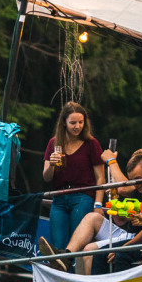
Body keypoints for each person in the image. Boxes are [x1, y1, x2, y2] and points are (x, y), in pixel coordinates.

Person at [39, 148, 142, 273]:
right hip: (129, 234)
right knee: (92, 218)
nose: (136, 184)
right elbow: (123, 217)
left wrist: (111, 161)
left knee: (89, 250)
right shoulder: (139, 186)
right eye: (132, 180)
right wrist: (118, 212)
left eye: (138, 179)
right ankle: (66, 257)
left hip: (141, 238)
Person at [42, 102, 105, 249]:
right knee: (58, 245)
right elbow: (46, 177)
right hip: (59, 197)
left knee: (77, 243)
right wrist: (51, 164)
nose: (77, 126)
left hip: (83, 195)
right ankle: (60, 268)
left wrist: (98, 204)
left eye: (81, 122)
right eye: (73, 123)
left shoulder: (91, 143)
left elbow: (101, 177)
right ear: (64, 122)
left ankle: (76, 270)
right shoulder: (53, 143)